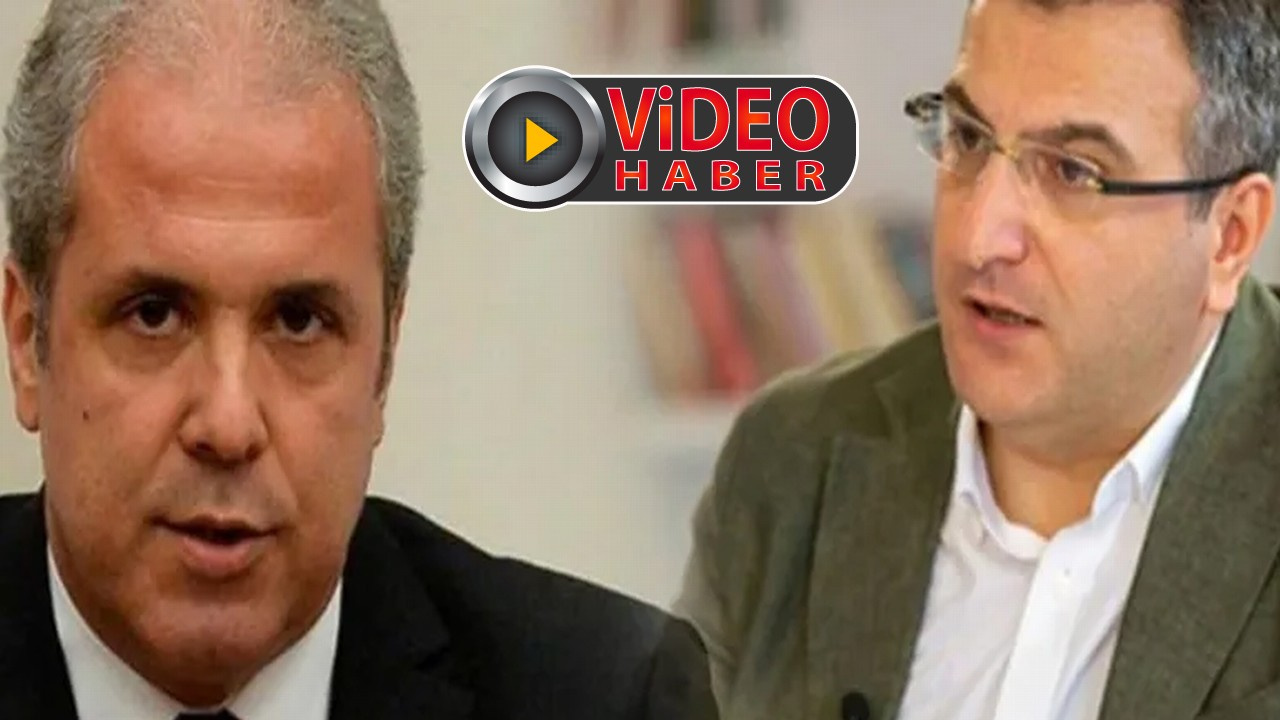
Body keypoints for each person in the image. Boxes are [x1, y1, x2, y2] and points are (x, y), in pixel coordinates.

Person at [0, 1, 714, 719]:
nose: (228, 423)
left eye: (299, 321)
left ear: (384, 362)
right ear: (28, 339)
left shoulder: (613, 696)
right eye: (153, 314)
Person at [675, 1, 1280, 719]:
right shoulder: (792, 460)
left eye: (1073, 172)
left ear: (1230, 236)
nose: (977, 237)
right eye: (966, 136)